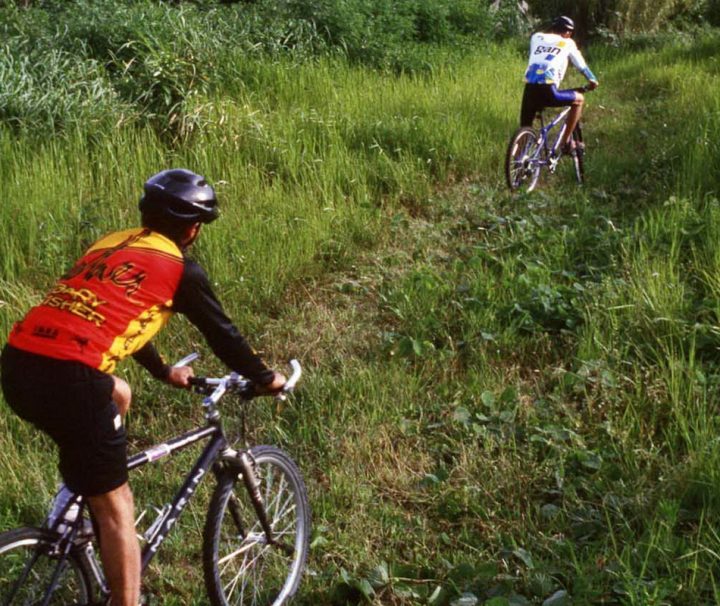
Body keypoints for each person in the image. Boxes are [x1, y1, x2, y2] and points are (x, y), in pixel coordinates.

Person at [0, 168, 286, 606]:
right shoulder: (181, 270)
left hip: (19, 362)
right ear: (193, 229)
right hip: (70, 378)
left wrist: (162, 370)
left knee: (118, 393)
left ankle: (72, 507)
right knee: (118, 507)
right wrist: (266, 378)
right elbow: (222, 334)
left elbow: (109, 312)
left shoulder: (111, 244)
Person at [520, 15, 599, 153]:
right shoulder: (567, 43)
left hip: (529, 89)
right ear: (568, 32)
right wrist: (592, 80)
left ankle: (516, 161)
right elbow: (581, 65)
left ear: (552, 28)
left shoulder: (536, 37)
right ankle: (565, 144)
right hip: (548, 90)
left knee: (524, 129)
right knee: (579, 100)